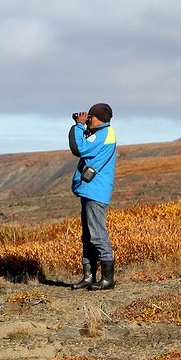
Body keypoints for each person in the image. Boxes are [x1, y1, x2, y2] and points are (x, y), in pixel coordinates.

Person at [68, 103, 117, 290]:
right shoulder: (102, 133)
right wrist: (82, 126)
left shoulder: (103, 134)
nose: (89, 119)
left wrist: (79, 125)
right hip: (90, 189)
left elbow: (78, 148)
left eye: (91, 117)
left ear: (101, 118)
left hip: (96, 191)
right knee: (88, 236)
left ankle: (107, 279)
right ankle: (88, 277)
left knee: (97, 234)